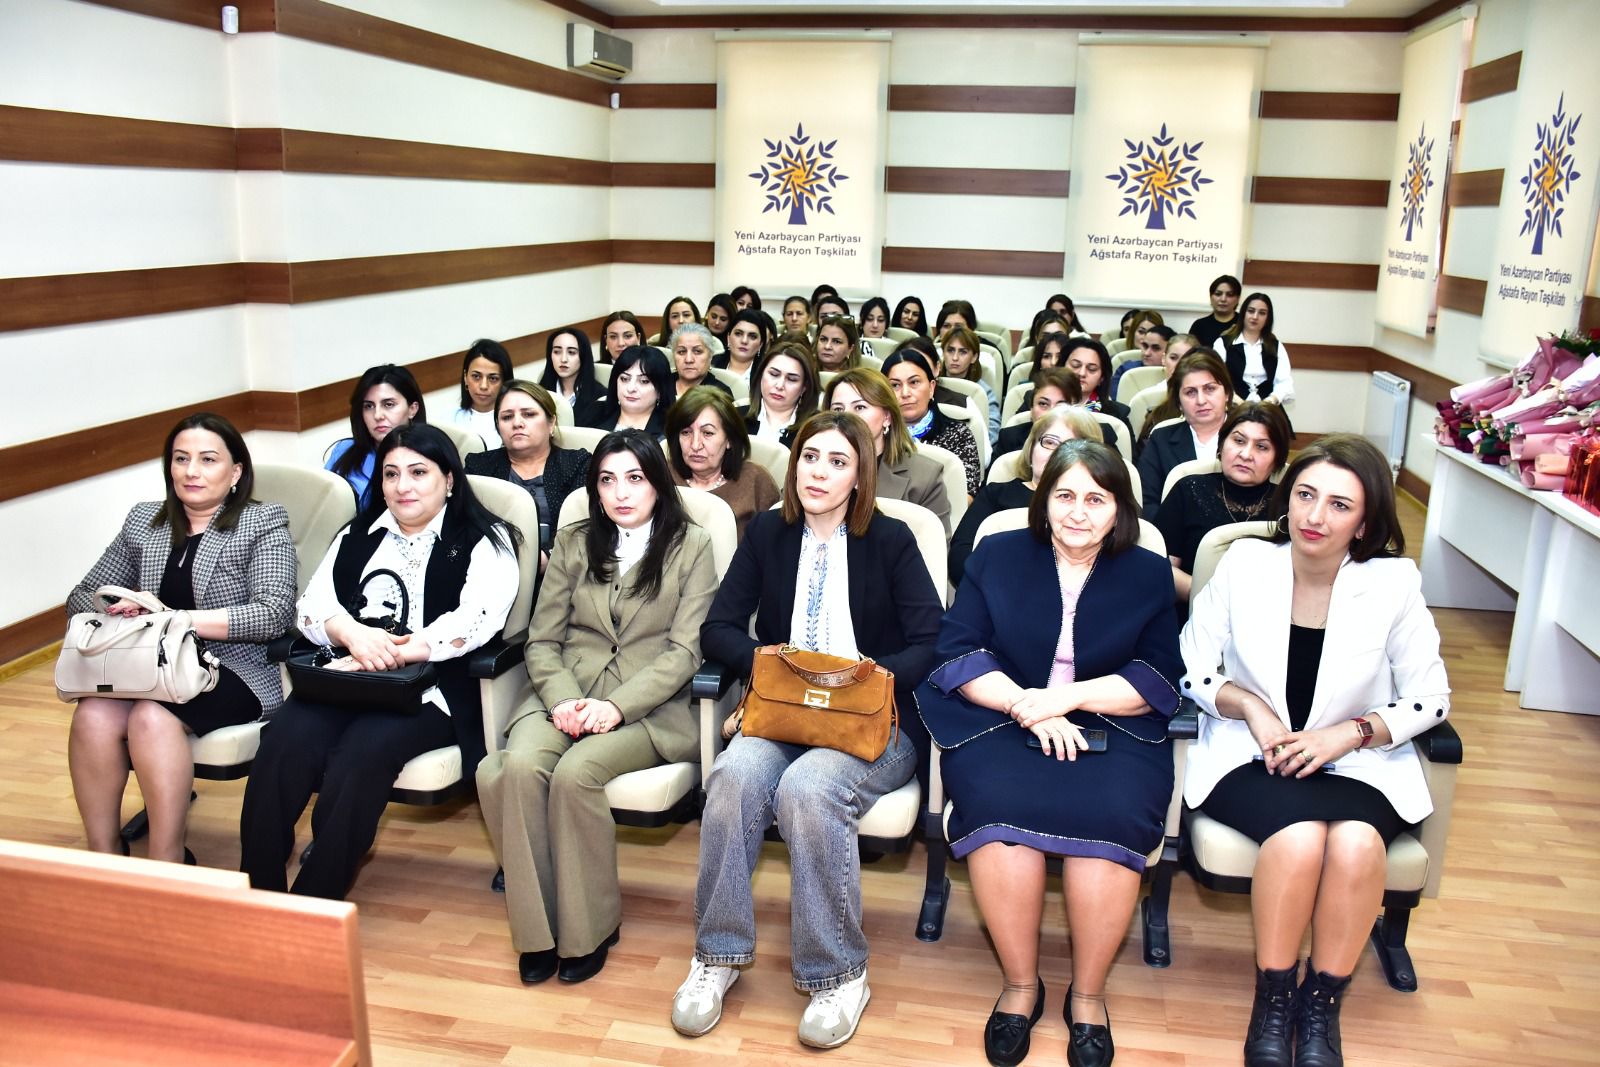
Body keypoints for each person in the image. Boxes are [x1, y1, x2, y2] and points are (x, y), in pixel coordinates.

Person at [670, 411, 942, 1049]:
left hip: (871, 722)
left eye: (838, 462)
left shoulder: (892, 539)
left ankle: (839, 974)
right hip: (787, 714)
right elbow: (718, 628)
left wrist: (860, 680)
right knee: (732, 776)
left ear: (860, 475)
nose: (819, 472)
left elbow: (933, 642)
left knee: (809, 789)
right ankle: (716, 955)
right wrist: (777, 666)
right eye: (810, 457)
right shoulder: (770, 532)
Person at [1180, 434, 1450, 1067]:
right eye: (1305, 495)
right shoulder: (1246, 565)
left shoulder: (1393, 584)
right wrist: (1251, 707)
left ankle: (1323, 1001)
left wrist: (1349, 733)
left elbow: (1431, 698)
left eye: (1339, 505)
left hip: (1357, 762)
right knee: (1298, 839)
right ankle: (1274, 997)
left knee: (1356, 845)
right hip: (1255, 755)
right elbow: (1192, 666)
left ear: (1365, 523)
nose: (1314, 516)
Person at [918, 439, 1182, 1067]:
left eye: (1096, 499)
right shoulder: (998, 553)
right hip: (1002, 717)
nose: (1078, 512)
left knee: (1113, 817)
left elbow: (1157, 675)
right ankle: (1020, 985)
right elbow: (958, 650)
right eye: (1064, 496)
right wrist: (1025, 706)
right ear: (1043, 500)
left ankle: (1087, 996)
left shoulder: (1147, 572)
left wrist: (1067, 699)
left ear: (1119, 510)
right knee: (998, 808)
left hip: (1111, 726)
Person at [239, 423, 520, 899]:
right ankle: (257, 892)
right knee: (282, 742)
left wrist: (388, 654)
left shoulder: (486, 539)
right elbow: (310, 606)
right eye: (391, 474)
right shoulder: (358, 534)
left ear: (449, 479)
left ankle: (315, 902)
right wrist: (350, 634)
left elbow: (476, 621)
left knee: (361, 756)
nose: (402, 485)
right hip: (346, 678)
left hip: (427, 690)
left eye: (418, 472)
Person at [478, 431, 716, 985]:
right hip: (564, 691)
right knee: (515, 767)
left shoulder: (692, 545)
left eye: (635, 478)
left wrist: (615, 708)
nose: (621, 493)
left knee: (575, 773)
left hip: (649, 705)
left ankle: (591, 929)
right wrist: (563, 698)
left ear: (658, 483)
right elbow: (542, 639)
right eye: (607, 480)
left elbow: (685, 652)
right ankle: (538, 933)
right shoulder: (574, 541)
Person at [66, 412, 297, 865]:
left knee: (151, 717)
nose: (192, 471)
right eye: (181, 458)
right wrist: (116, 606)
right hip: (147, 666)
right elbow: (80, 596)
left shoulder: (261, 521)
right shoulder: (144, 522)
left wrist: (177, 619)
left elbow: (273, 614)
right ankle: (104, 857)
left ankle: (167, 859)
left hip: (232, 668)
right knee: (92, 715)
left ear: (235, 472)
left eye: (208, 460)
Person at [949, 404, 1100, 586]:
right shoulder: (995, 495)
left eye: (1069, 447)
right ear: (1031, 448)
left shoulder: (1101, 507)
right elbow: (960, 562)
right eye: (1049, 442)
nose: (1056, 454)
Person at [1154, 402, 1290, 602]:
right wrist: (1213, 598)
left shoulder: (1288, 504)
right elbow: (1162, 567)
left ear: (1277, 459)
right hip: (1192, 606)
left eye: (1261, 447)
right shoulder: (1188, 490)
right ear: (1222, 444)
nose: (1246, 454)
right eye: (1239, 441)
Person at [466, 380, 591, 571]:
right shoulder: (478, 466)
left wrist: (546, 556)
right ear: (498, 427)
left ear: (551, 422)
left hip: (561, 570)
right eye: (507, 417)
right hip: (490, 569)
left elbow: (584, 528)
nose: (517, 423)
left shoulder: (577, 463)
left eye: (529, 414)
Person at [826, 367, 954, 534]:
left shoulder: (925, 478)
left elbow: (933, 547)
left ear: (887, 417)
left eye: (859, 407)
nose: (846, 417)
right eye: (837, 409)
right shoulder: (811, 468)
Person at [667, 386, 781, 541]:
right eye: (686, 432)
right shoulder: (662, 475)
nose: (695, 445)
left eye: (707, 433)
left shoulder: (756, 480)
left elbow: (774, 542)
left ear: (729, 439)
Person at [1136, 351, 1236, 515]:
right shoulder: (1161, 440)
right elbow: (1146, 502)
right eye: (1190, 392)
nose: (1201, 400)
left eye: (1210, 389)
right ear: (1179, 403)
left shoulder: (1248, 437)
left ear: (1227, 394)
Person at [881, 349, 982, 500]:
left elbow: (965, 497)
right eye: (895, 385)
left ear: (931, 388)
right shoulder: (875, 435)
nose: (905, 393)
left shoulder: (958, 434)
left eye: (914, 382)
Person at [326, 364, 426, 508]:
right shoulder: (344, 450)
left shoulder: (428, 457)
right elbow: (324, 504)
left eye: (389, 404)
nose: (378, 415)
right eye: (369, 406)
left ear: (412, 409)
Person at [1216, 292, 1296, 407]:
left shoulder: (1276, 346)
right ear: (1243, 313)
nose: (1255, 317)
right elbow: (1217, 379)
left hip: (1268, 408)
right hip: (1234, 406)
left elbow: (1284, 382)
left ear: (1268, 318)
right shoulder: (1223, 344)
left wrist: (1270, 401)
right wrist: (1238, 402)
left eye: (1262, 313)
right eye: (1251, 311)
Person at [1133, 333, 1203, 454]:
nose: (1180, 365)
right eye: (1174, 358)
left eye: (1187, 359)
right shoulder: (1146, 399)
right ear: (1164, 359)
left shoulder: (1206, 402)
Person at [744, 340, 820, 446]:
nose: (780, 385)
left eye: (792, 379)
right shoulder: (735, 417)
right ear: (761, 374)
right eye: (774, 374)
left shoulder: (817, 428)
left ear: (804, 387)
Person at [595, 345, 673, 439]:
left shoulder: (671, 429)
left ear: (660, 390)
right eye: (624, 379)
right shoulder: (594, 413)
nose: (631, 388)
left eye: (644, 381)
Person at [539, 327, 606, 428]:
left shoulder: (600, 397)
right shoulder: (539, 392)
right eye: (557, 352)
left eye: (571, 352)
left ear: (583, 356)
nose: (563, 359)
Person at [942, 325, 999, 443]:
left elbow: (993, 431)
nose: (955, 357)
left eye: (963, 352)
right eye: (950, 350)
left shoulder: (983, 391)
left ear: (974, 357)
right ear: (943, 353)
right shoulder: (930, 385)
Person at [452, 339, 514, 448]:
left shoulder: (516, 422)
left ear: (504, 382)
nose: (483, 386)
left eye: (493, 378)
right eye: (476, 376)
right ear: (465, 377)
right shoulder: (448, 420)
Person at [1063, 338, 1132, 431]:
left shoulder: (1118, 415)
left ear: (1101, 378)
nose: (1082, 373)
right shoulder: (1046, 405)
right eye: (1075, 365)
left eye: (1091, 369)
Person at [1107, 324, 1175, 403]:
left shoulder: (1177, 374)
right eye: (1145, 346)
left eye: (1156, 348)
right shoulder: (1126, 369)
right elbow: (1115, 403)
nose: (1147, 353)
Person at [670, 323, 732, 400]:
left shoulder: (720, 394)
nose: (688, 360)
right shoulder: (660, 385)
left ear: (710, 356)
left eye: (697, 351)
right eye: (681, 352)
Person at [714, 308, 770, 390]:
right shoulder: (711, 364)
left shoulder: (766, 373)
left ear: (760, 344)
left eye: (752, 336)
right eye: (738, 334)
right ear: (728, 338)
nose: (744, 341)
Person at [1189, 273, 1242, 348]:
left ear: (1238, 299)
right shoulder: (1199, 326)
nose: (1223, 299)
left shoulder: (1243, 324)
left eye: (1229, 295)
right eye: (1218, 294)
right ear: (1210, 297)